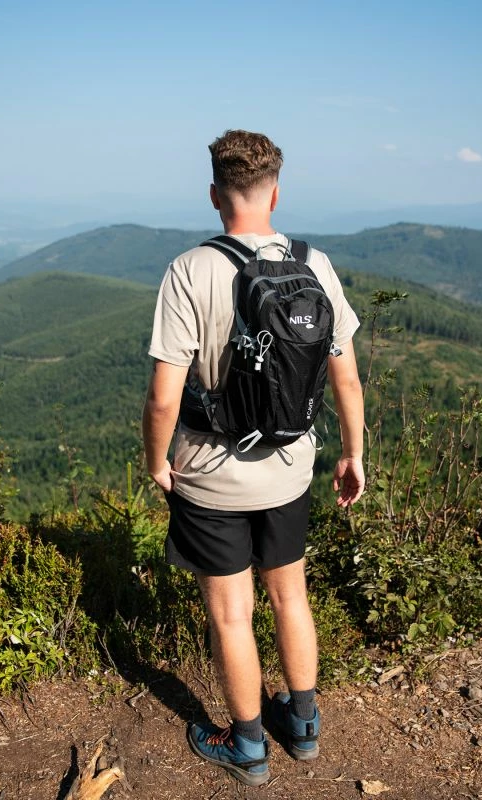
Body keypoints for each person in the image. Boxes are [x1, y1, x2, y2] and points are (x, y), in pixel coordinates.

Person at [142, 129, 365, 786]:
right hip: (291, 469)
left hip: (210, 478)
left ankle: (246, 747)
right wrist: (352, 454)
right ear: (277, 191)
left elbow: (163, 399)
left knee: (232, 612)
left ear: (215, 195)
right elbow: (345, 377)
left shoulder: (190, 270)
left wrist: (158, 462)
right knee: (291, 596)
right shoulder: (314, 265)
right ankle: (302, 726)